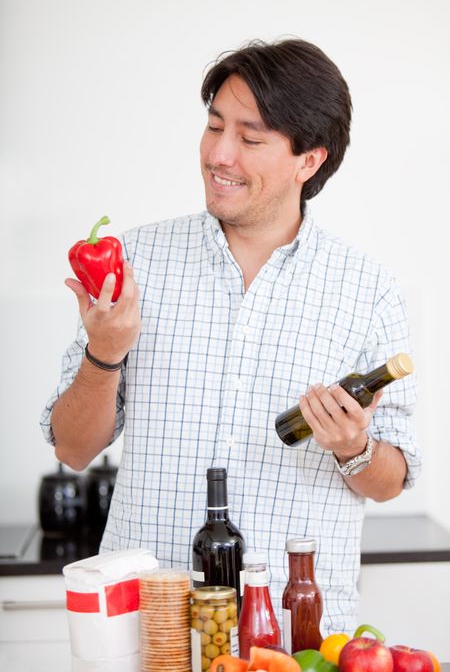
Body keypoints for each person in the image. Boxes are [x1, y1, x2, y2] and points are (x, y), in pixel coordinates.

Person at [40, 38, 420, 634]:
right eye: (214, 126)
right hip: (150, 623)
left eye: (250, 138)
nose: (219, 154)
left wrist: (353, 447)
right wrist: (105, 352)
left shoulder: (366, 289)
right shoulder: (135, 261)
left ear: (309, 160)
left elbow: (393, 478)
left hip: (297, 631)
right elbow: (72, 449)